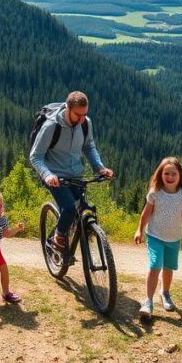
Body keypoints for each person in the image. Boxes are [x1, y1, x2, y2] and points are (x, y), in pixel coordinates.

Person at [29, 91, 114, 249]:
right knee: (69, 208)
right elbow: (35, 156)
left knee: (77, 212)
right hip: (55, 177)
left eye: (84, 114)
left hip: (76, 176)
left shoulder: (85, 123)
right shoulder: (52, 126)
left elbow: (89, 147)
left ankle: (71, 237)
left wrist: (99, 167)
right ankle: (58, 237)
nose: (81, 119)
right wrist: (47, 175)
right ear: (67, 108)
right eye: (77, 115)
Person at [134, 156, 182, 321]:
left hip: (174, 239)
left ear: (180, 175)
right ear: (160, 174)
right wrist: (139, 230)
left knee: (169, 268)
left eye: (173, 174)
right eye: (166, 173)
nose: (170, 177)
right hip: (155, 236)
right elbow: (146, 213)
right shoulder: (155, 192)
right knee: (155, 265)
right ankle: (148, 302)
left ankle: (165, 293)